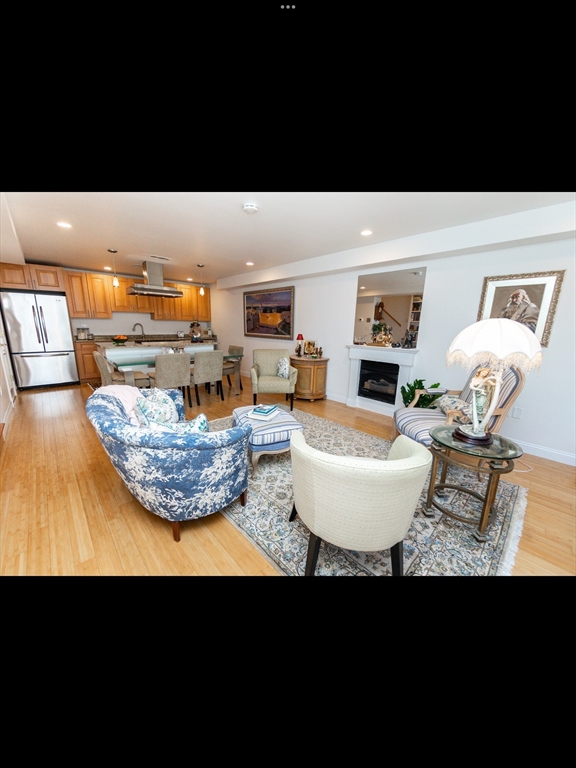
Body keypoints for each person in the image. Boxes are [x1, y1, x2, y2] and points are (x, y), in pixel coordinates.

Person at [469, 367, 498, 433]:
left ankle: (479, 424)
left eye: (486, 373)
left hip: (482, 396)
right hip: (475, 396)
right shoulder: (475, 378)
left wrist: (497, 379)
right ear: (480, 371)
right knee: (472, 410)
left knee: (480, 408)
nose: (484, 374)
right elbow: (471, 386)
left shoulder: (486, 379)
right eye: (483, 372)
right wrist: (479, 389)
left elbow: (494, 384)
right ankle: (474, 424)